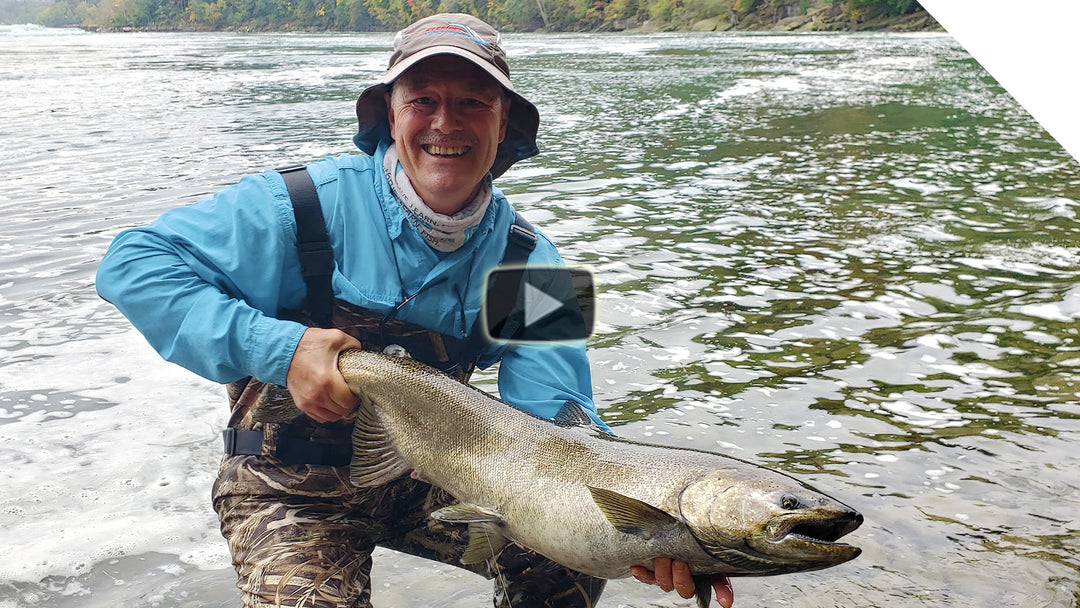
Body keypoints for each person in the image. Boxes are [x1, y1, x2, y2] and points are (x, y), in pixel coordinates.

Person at [96, 12, 734, 608]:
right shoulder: (297, 206)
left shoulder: (536, 264)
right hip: (285, 482)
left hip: (437, 479)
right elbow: (131, 262)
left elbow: (562, 433)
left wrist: (660, 533)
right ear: (391, 115)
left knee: (574, 565)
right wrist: (281, 349)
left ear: (505, 122)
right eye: (422, 99)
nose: (445, 122)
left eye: (472, 102)